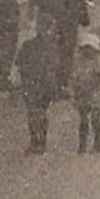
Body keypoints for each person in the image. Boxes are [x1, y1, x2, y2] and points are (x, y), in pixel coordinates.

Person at [33, 0, 99, 88]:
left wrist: (82, 0)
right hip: (52, 14)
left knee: (68, 47)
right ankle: (49, 79)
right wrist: (47, 6)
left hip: (70, 13)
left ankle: (63, 79)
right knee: (50, 47)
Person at [15, 14, 64, 154]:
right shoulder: (29, 46)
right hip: (31, 85)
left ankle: (41, 140)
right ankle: (35, 140)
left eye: (48, 28)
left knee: (40, 113)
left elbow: (55, 68)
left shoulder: (51, 48)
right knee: (33, 113)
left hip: (44, 86)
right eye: (42, 27)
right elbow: (20, 63)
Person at [70, 33, 100, 154]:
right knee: (83, 120)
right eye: (85, 48)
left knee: (95, 118)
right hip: (82, 94)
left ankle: (97, 142)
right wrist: (77, 88)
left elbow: (99, 78)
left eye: (90, 49)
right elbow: (74, 78)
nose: (88, 51)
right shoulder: (78, 63)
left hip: (95, 95)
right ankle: (82, 144)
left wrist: (89, 86)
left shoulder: (97, 62)